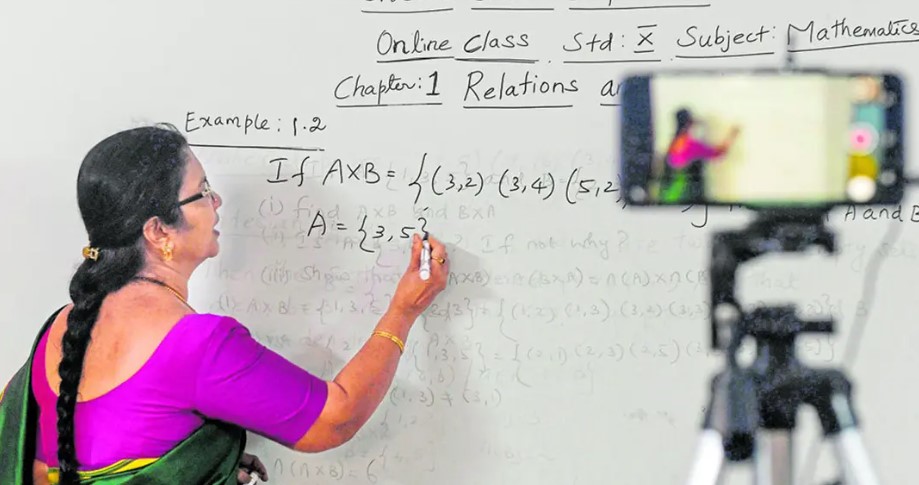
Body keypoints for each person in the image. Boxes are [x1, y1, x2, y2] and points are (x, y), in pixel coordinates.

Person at [0, 124, 450, 484]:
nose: (217, 201)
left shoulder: (61, 326)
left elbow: (78, 459)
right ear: (158, 231)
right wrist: (403, 312)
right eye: (202, 191)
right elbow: (336, 418)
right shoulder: (196, 344)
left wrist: (202, 462)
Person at [658, 108, 740, 203]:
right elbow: (719, 152)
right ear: (689, 123)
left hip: (667, 195)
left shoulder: (674, 143)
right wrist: (732, 135)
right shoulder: (689, 145)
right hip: (683, 196)